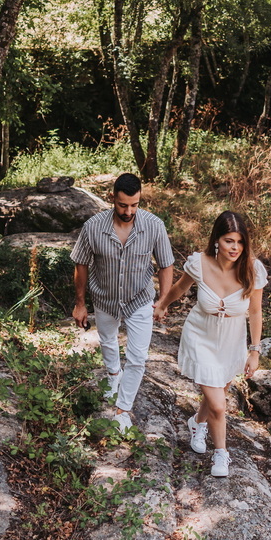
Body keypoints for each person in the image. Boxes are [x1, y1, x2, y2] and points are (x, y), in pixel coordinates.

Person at [153, 210, 266, 477]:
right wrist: (162, 305)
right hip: (200, 335)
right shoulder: (199, 263)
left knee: (218, 392)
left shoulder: (253, 269)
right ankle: (221, 455)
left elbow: (256, 312)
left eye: (240, 242)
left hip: (231, 340)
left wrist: (255, 350)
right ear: (217, 239)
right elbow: (180, 288)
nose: (235, 247)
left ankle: (197, 423)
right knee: (218, 403)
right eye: (229, 241)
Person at [71, 173, 175, 433]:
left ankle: (123, 409)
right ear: (112, 199)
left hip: (139, 299)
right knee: (107, 341)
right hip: (104, 299)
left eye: (134, 205)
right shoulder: (93, 227)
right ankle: (113, 375)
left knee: (138, 358)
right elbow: (81, 264)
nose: (128, 211)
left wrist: (163, 300)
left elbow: (166, 264)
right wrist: (80, 303)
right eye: (122, 205)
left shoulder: (154, 225)